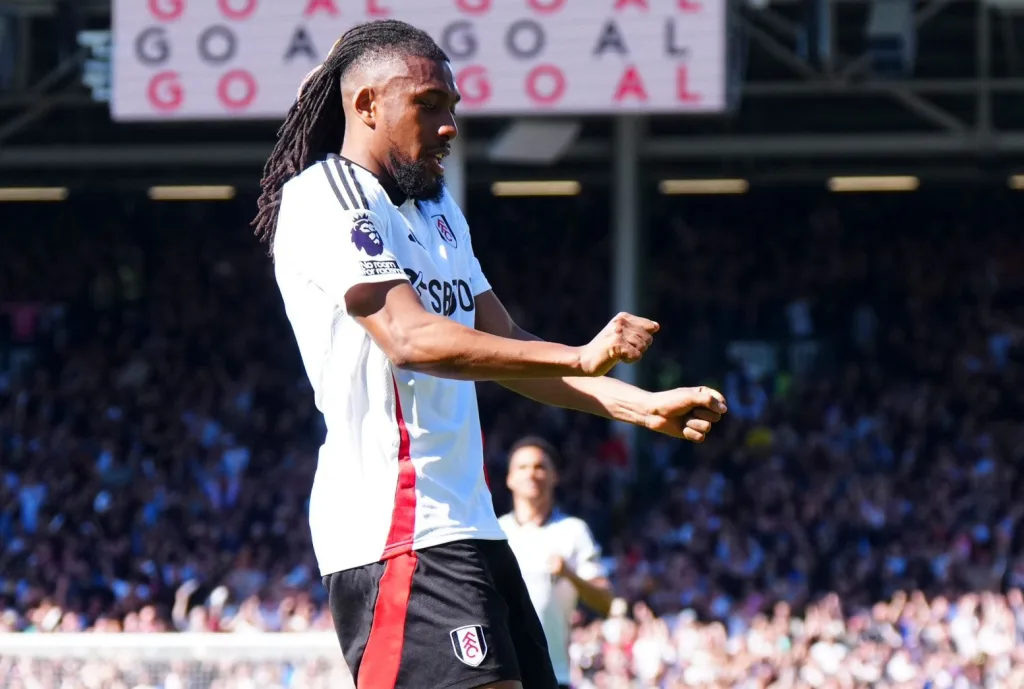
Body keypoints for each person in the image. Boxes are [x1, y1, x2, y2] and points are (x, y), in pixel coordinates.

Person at [252, 18, 728, 689]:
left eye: (452, 107)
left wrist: (637, 404)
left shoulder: (439, 210)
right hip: (397, 531)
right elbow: (410, 338)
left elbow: (513, 348)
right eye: (428, 105)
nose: (449, 126)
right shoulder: (330, 197)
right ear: (364, 106)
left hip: (468, 527)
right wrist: (584, 354)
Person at [499, 437, 615, 689]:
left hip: (554, 675)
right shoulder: (496, 534)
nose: (531, 473)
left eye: (540, 466)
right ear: (509, 478)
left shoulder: (573, 531)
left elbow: (606, 601)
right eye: (522, 467)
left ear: (555, 476)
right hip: (503, 675)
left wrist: (570, 575)